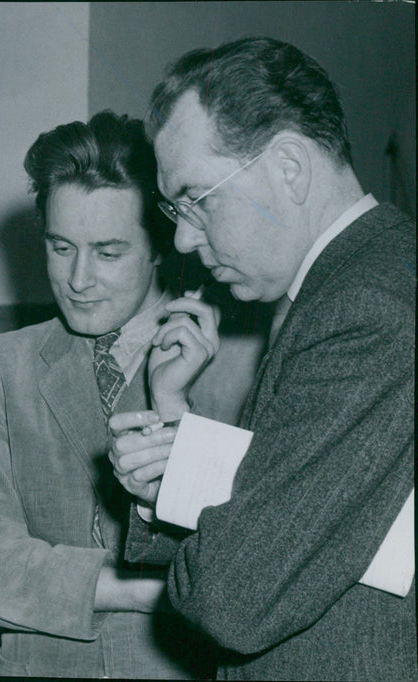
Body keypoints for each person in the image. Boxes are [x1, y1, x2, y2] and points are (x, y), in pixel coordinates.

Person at [110, 37, 416, 680]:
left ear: (289, 166)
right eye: (173, 209)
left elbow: (232, 598)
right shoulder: (351, 286)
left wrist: (226, 532)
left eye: (196, 198)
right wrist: (182, 472)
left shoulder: (366, 308)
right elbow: (309, 523)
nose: (185, 239)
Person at [0, 111, 243, 678]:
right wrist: (141, 591)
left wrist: (173, 406)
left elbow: (253, 558)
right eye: (60, 248)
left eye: (108, 253)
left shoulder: (242, 362)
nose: (78, 279)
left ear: (162, 245)